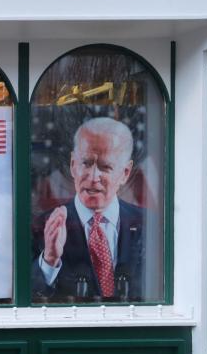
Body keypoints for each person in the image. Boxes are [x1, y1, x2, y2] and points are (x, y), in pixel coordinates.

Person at [31, 117, 145, 301]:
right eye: (86, 163)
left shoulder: (148, 226)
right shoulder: (41, 227)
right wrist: (49, 260)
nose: (93, 177)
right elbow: (29, 298)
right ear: (73, 165)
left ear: (125, 173)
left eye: (105, 167)